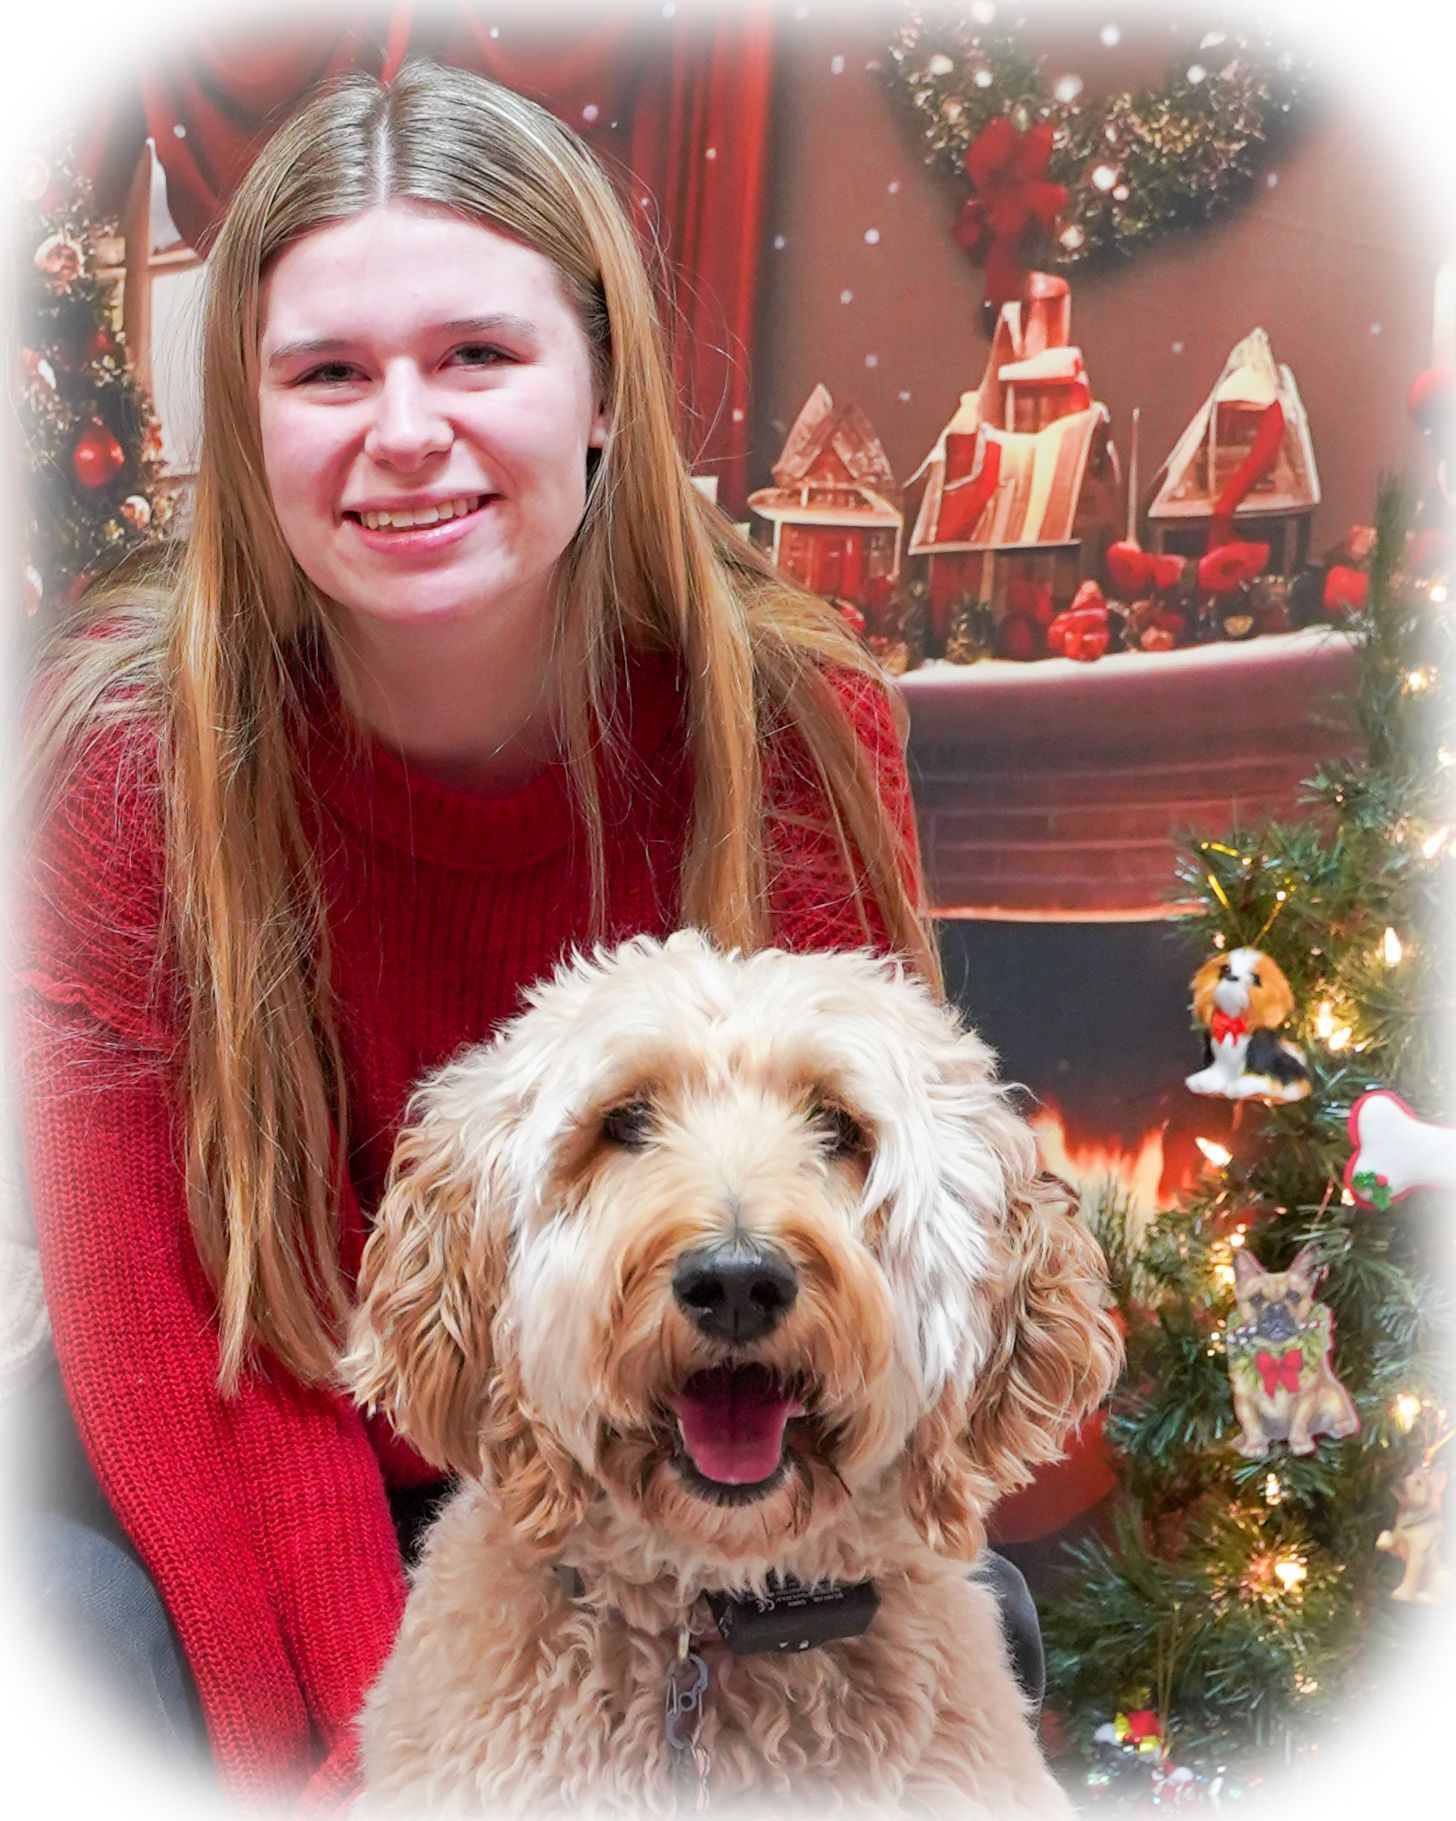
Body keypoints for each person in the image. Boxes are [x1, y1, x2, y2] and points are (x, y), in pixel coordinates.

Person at [10, 59, 1037, 1812]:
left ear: (601, 392)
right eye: (328, 373)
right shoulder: (121, 766)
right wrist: (373, 1755)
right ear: (244, 431)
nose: (405, 429)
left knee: (980, 1616)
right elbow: (190, 1350)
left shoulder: (783, 717)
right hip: (259, 1455)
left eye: (478, 355)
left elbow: (877, 1217)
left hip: (653, 1426)